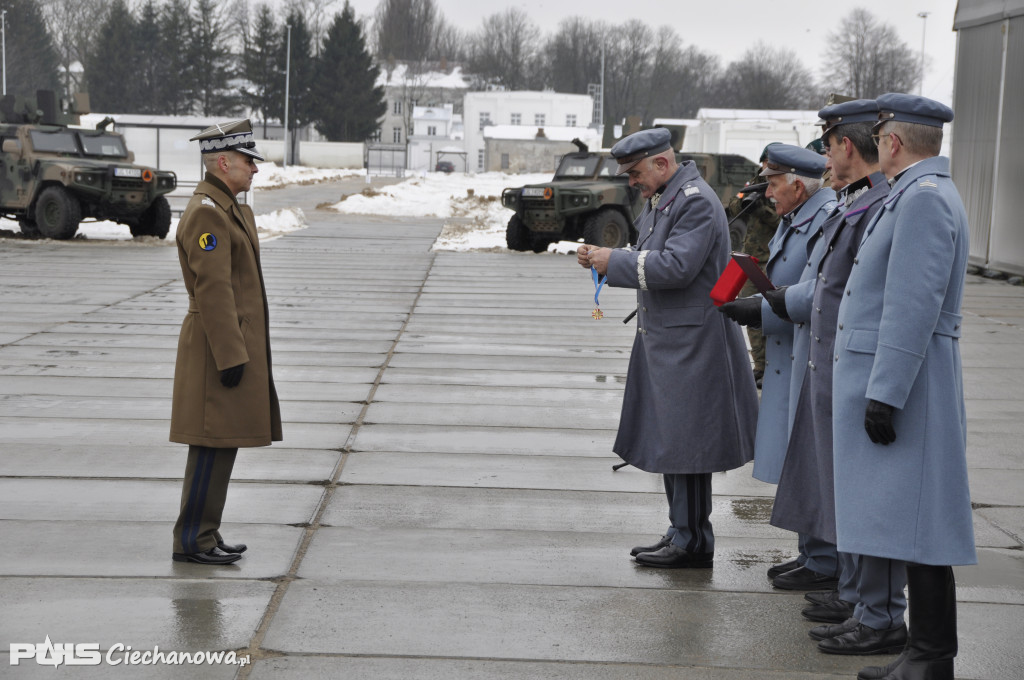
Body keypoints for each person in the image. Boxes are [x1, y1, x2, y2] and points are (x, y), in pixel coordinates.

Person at [831, 94, 975, 680]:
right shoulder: (916, 194)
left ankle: (930, 656)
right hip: (909, 375)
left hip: (911, 381)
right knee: (914, 525)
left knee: (923, 525)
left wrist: (886, 391)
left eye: (881, 134)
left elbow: (912, 305)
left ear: (891, 141)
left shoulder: (921, 200)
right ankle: (923, 653)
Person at [763, 100, 910, 657]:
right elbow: (828, 287)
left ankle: (872, 607)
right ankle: (857, 597)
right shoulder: (856, 203)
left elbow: (884, 300)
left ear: (847, 145)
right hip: (830, 365)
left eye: (827, 145)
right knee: (841, 488)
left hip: (855, 369)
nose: (823, 155)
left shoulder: (881, 205)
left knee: (862, 494)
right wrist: (770, 302)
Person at [577, 127, 758, 568]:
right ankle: (683, 529)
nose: (631, 182)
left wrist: (611, 260)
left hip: (692, 341)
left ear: (662, 163)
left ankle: (693, 539)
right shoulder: (667, 197)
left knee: (688, 444)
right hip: (673, 339)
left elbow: (676, 267)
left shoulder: (693, 200)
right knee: (677, 441)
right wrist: (611, 257)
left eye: (635, 172)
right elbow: (651, 253)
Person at [718, 144, 837, 590]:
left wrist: (760, 310)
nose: (767, 193)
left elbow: (817, 293)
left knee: (810, 458)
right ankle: (811, 552)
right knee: (797, 457)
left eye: (772, 183)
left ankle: (824, 558)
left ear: (798, 185)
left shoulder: (824, 218)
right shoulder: (799, 215)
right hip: (791, 352)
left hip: (805, 352)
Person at [170, 119, 282, 565]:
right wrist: (232, 354)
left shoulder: (227, 208)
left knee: (222, 443)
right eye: (247, 161)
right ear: (223, 162)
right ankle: (191, 539)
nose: (254, 169)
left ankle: (206, 533)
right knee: (210, 442)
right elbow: (213, 290)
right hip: (218, 347)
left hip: (227, 344)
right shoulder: (207, 214)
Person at [726, 143, 781, 387]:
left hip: (773, 259)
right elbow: (734, 204)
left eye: (770, 163)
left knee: (771, 314)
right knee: (751, 314)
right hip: (751, 259)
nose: (765, 168)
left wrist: (762, 210)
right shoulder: (756, 182)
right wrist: (746, 203)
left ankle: (773, 366)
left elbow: (783, 222)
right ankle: (760, 365)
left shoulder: (782, 186)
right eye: (764, 163)